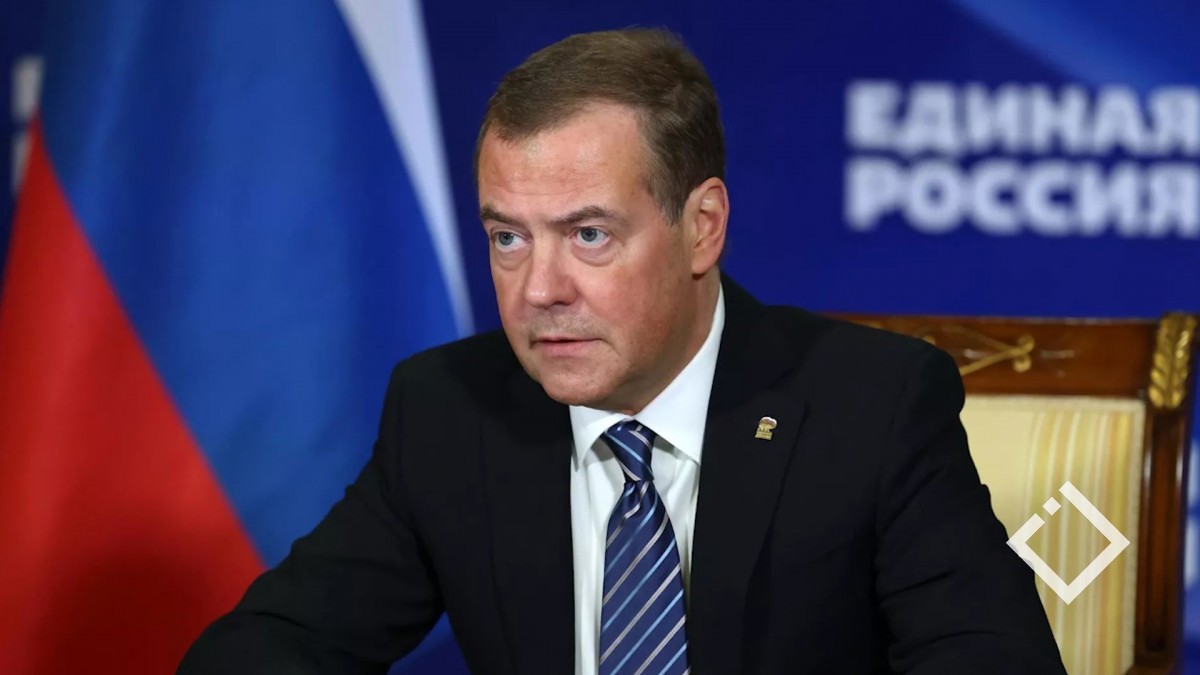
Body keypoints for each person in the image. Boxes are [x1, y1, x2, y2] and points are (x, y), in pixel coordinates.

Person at [179, 28, 1066, 675]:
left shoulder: (869, 407)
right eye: (508, 237)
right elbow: (275, 646)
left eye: (589, 235)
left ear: (701, 227)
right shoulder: (450, 410)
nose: (539, 290)